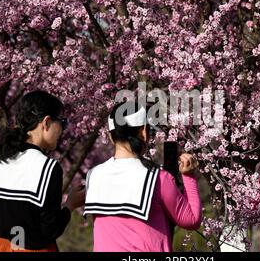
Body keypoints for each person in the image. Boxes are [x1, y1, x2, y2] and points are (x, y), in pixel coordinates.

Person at [0, 90, 84, 252]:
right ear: (46, 122)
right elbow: (48, 231)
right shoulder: (48, 168)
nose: (63, 129)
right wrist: (69, 205)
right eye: (62, 122)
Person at [84, 101, 202, 251]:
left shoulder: (94, 176)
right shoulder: (158, 178)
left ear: (110, 136)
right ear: (144, 132)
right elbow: (191, 220)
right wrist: (189, 176)